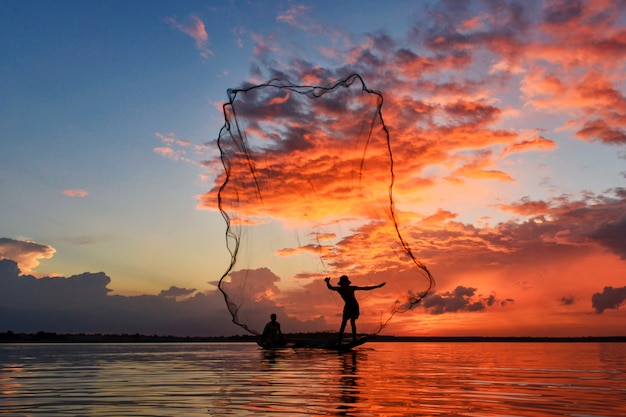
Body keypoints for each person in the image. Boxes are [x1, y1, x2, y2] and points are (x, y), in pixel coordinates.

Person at [324, 275, 386, 343]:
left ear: (347, 283)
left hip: (354, 306)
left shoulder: (351, 288)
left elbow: (364, 288)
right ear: (341, 284)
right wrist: (327, 282)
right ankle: (339, 340)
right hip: (347, 307)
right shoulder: (339, 289)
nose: (344, 285)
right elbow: (331, 287)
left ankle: (354, 339)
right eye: (343, 283)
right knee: (343, 323)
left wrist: (377, 286)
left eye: (345, 283)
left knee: (352, 322)